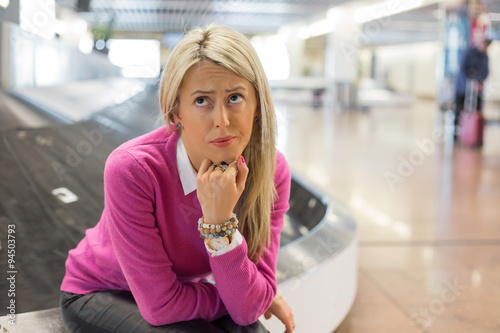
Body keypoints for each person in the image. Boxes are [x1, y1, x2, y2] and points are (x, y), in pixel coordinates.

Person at [60, 25, 295, 333]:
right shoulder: (133, 169)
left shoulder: (271, 171)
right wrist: (247, 291)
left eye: (235, 97)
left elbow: (248, 310)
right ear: (175, 114)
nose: (222, 121)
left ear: (257, 108)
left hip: (179, 291)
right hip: (100, 292)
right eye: (202, 101)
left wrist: (250, 297)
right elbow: (162, 307)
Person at [454, 37, 491, 141]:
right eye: (484, 45)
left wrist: (479, 83)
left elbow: (486, 72)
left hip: (476, 90)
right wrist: (470, 83)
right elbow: (462, 69)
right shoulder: (468, 52)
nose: (485, 48)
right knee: (458, 111)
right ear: (480, 43)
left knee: (477, 111)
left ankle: (474, 135)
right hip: (462, 87)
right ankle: (456, 135)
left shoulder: (485, 56)